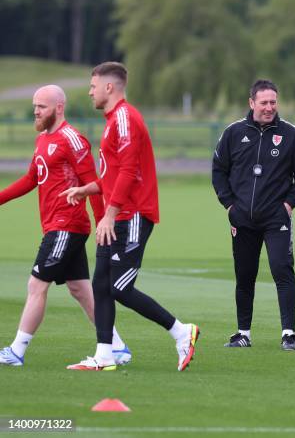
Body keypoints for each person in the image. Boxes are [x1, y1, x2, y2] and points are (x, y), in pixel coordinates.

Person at [61, 62, 199, 371]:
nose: (89, 91)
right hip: (117, 215)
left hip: (132, 215)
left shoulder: (124, 118)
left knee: (119, 287)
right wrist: (88, 189)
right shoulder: (113, 121)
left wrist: (109, 214)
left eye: (93, 85)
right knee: (100, 284)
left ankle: (181, 331)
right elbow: (113, 175)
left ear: (109, 87)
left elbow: (129, 171)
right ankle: (105, 355)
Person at [0, 85, 130, 367]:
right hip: (57, 226)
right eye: (35, 106)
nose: (36, 111)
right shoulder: (43, 140)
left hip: (66, 225)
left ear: (59, 107)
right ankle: (117, 347)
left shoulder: (72, 139)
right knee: (81, 290)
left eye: (42, 106)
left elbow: (93, 183)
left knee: (36, 284)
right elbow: (30, 179)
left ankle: (16, 351)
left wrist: (102, 224)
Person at [212, 79, 295, 351]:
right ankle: (243, 332)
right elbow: (218, 170)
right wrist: (229, 205)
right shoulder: (233, 133)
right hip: (242, 218)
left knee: (282, 269)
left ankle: (289, 333)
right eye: (264, 103)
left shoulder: (292, 134)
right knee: (245, 275)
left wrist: (290, 203)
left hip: (276, 218)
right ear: (252, 103)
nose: (269, 107)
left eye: (273, 102)